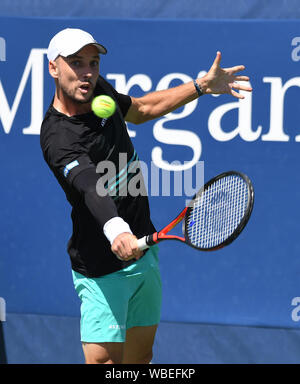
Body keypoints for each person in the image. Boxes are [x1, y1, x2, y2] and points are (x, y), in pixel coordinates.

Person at [40, 28, 252, 364]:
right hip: (100, 268)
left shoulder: (97, 90)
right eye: (76, 63)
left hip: (143, 254)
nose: (87, 72)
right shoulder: (58, 137)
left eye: (93, 63)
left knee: (140, 361)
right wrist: (116, 229)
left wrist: (200, 87)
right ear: (53, 68)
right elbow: (89, 185)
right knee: (105, 365)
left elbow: (140, 108)